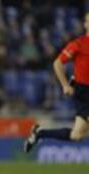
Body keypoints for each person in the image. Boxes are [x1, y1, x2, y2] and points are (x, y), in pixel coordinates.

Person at [24, 12, 89, 153]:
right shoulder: (78, 44)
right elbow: (58, 63)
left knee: (76, 135)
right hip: (84, 92)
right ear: (85, 24)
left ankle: (40, 133)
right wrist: (65, 84)